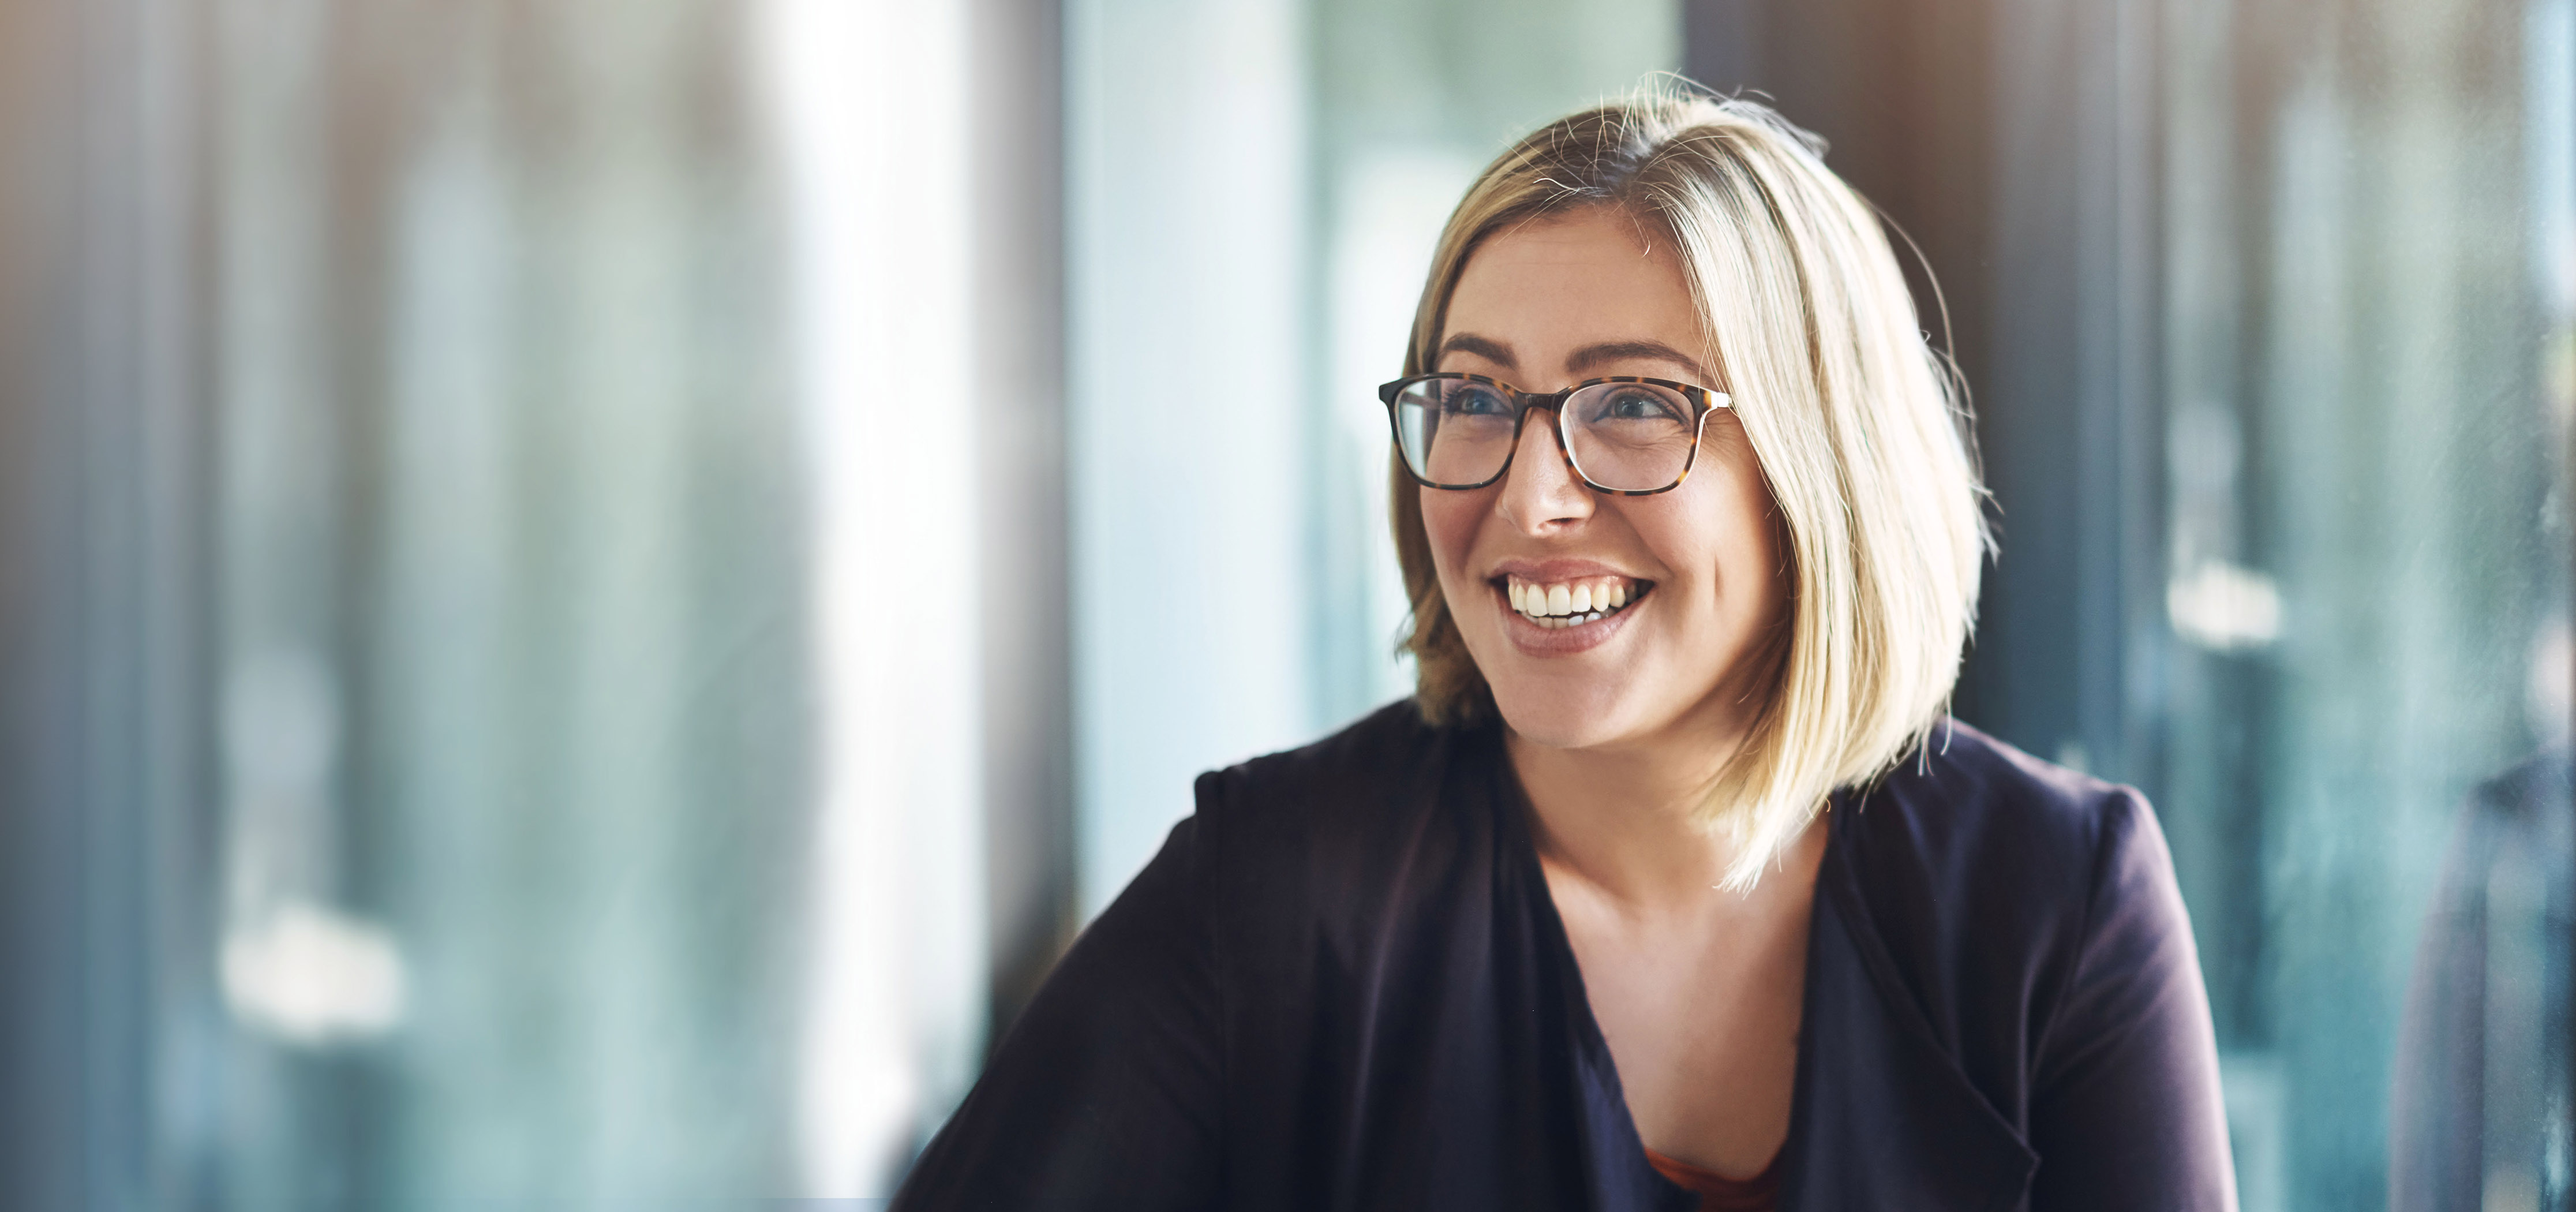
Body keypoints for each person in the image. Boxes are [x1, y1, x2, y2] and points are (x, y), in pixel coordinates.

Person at [893, 84, 2236, 1211]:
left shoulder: (2060, 906)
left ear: (1823, 468)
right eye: (1476, 397)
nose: (1530, 496)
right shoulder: (1274, 897)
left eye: (1636, 406)